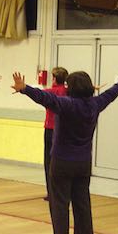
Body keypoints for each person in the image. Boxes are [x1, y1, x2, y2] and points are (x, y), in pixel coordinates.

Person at [14, 68, 118, 234]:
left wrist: (24, 88)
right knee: (82, 203)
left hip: (61, 161)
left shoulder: (66, 104)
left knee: (59, 204)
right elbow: (112, 94)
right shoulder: (95, 104)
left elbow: (44, 98)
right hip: (83, 163)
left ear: (70, 88)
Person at [42, 66, 68, 201]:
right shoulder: (69, 91)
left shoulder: (50, 92)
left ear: (54, 78)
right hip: (64, 131)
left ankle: (51, 193)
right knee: (62, 162)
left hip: (50, 129)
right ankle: (62, 192)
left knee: (49, 163)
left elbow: (38, 93)